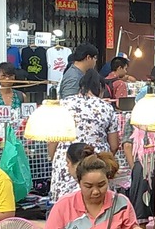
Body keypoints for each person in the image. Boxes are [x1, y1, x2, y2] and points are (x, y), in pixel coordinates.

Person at [38, 149, 146, 229]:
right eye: (88, 186)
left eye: (101, 185)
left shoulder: (121, 203)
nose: (95, 192)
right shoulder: (64, 205)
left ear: (108, 180)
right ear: (79, 183)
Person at [50, 70, 120, 202]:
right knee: (97, 203)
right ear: (100, 89)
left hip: (66, 159)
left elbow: (52, 140)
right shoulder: (106, 108)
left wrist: (56, 158)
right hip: (96, 160)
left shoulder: (63, 104)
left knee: (65, 206)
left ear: (80, 86)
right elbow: (114, 145)